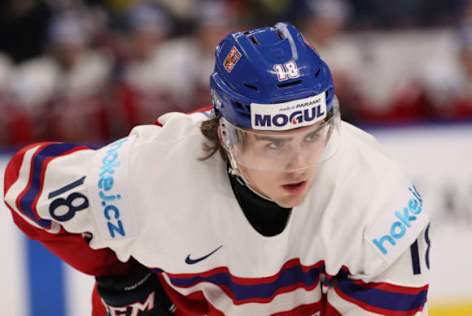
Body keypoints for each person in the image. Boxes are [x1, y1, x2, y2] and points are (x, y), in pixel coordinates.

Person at [3, 23, 430, 315]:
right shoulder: (148, 173)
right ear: (226, 135)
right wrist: (124, 274)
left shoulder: (375, 201)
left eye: (313, 135)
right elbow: (27, 185)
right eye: (272, 143)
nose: (298, 162)